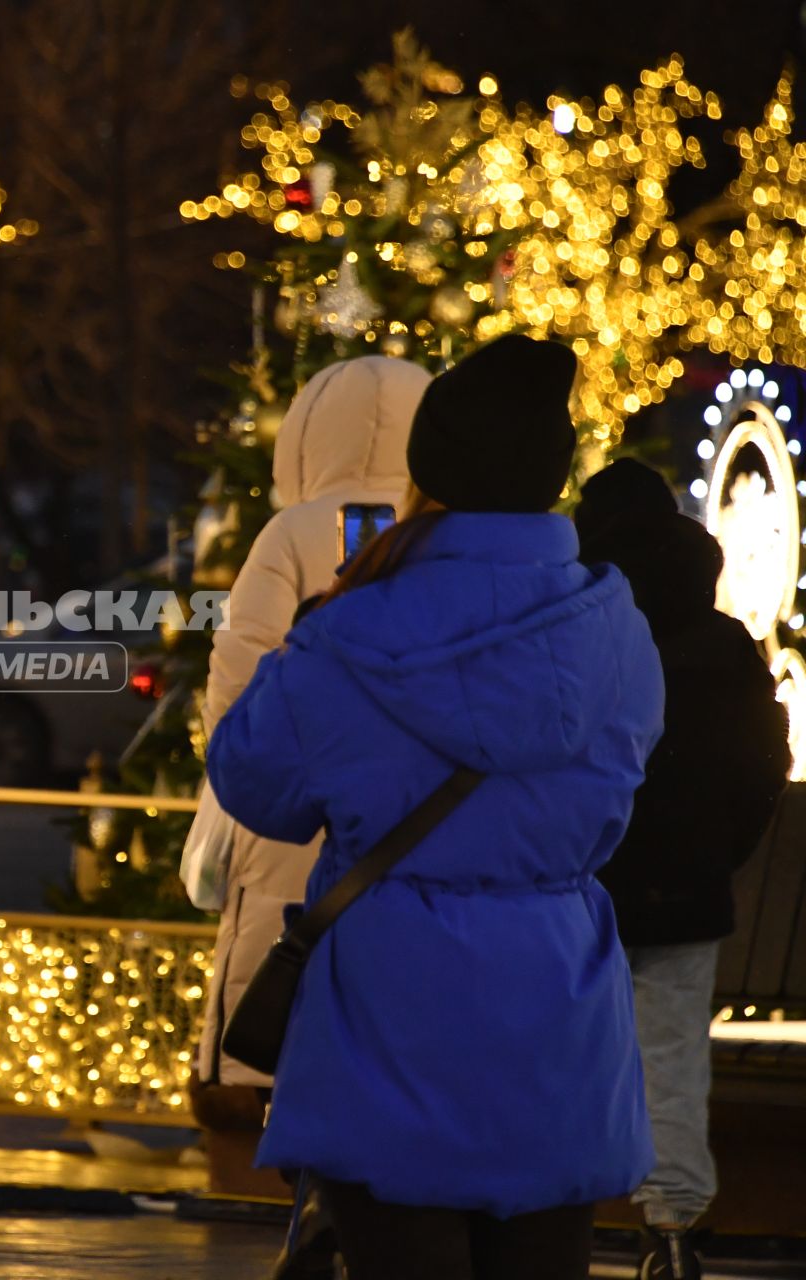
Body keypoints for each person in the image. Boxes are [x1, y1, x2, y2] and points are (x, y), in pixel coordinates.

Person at [206, 335, 661, 1280]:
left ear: (431, 471)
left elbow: (253, 782)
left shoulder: (351, 627)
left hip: (387, 1016)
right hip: (559, 1015)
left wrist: (306, 646)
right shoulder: (616, 629)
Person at [195, 355, 429, 1276]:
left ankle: (311, 1197)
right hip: (401, 828)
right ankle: (355, 1197)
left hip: (292, 821)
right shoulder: (428, 534)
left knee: (287, 993)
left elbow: (237, 686)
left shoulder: (293, 532)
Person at [576, 458, 791, 1280]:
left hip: (582, 888)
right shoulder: (726, 642)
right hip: (690, 893)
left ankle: (546, 1211)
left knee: (558, 1048)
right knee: (670, 1058)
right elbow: (762, 761)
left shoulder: (586, 630)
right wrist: (718, 852)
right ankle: (670, 1230)